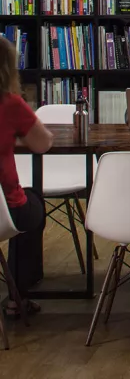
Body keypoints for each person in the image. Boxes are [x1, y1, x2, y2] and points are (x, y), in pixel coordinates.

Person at [0, 36, 53, 317]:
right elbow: (42, 144)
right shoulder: (10, 104)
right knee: (33, 204)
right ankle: (16, 298)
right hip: (5, 208)